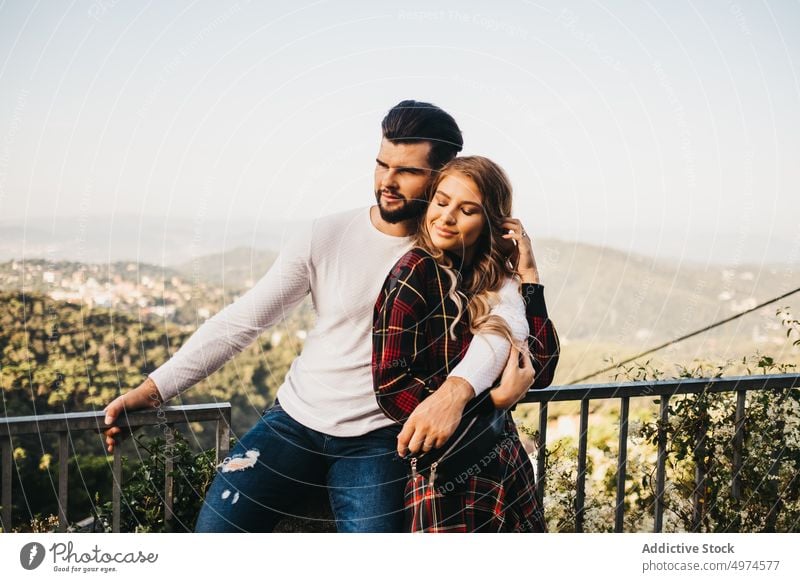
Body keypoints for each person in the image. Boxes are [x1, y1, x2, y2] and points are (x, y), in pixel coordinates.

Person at [102, 100, 553, 532]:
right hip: (294, 421)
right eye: (382, 164)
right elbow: (243, 321)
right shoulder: (327, 234)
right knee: (215, 536)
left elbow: (503, 326)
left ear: (441, 176)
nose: (388, 181)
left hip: (380, 441)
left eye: (408, 171)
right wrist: (152, 390)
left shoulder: (453, 247)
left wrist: (458, 394)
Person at [373, 156, 559, 532]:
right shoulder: (416, 271)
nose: (447, 217)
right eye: (441, 203)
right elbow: (392, 388)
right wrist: (489, 402)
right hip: (448, 469)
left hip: (502, 458)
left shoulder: (492, 279)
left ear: (490, 222)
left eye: (467, 209)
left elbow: (541, 367)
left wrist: (529, 276)